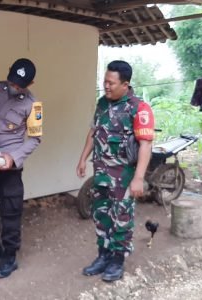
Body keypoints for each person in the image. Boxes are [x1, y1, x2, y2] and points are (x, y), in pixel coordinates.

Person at [76, 60, 155, 282]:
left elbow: (146, 145)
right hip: (101, 174)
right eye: (105, 82)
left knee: (121, 218)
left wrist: (139, 178)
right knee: (101, 215)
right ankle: (103, 256)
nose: (106, 86)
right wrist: (82, 159)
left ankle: (117, 260)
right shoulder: (102, 103)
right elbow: (93, 133)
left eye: (111, 83)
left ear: (125, 84)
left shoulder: (139, 109)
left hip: (124, 177)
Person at [0, 58, 43, 279]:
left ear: (31, 82)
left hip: (10, 167)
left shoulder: (33, 106)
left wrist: (13, 158)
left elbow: (35, 139)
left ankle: (9, 257)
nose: (15, 86)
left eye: (20, 84)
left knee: (11, 210)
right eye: (13, 80)